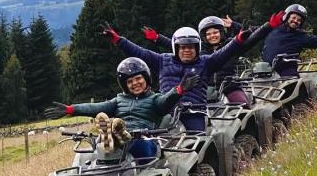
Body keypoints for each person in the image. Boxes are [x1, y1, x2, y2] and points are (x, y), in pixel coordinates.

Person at [103, 13, 282, 131]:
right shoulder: (163, 60)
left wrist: (239, 39)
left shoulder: (206, 62)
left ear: (197, 47)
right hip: (166, 111)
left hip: (194, 111)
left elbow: (229, 51)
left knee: (199, 143)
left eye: (191, 47)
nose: (186, 50)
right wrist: (118, 40)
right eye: (182, 47)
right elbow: (140, 52)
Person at [44, 57, 199, 156]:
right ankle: (112, 136)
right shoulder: (118, 100)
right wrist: (71, 109)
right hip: (116, 146)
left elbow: (165, 102)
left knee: (137, 144)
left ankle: (116, 135)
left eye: (138, 79)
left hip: (143, 139)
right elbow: (95, 108)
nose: (135, 83)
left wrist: (178, 90)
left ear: (146, 79)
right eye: (129, 82)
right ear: (125, 85)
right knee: (95, 149)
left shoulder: (154, 99)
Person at [197, 15, 250, 104]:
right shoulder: (199, 52)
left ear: (221, 33)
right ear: (204, 37)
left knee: (243, 105)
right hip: (206, 90)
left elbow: (251, 37)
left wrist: (235, 25)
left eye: (215, 32)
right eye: (208, 34)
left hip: (230, 87)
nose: (212, 36)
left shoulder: (231, 45)